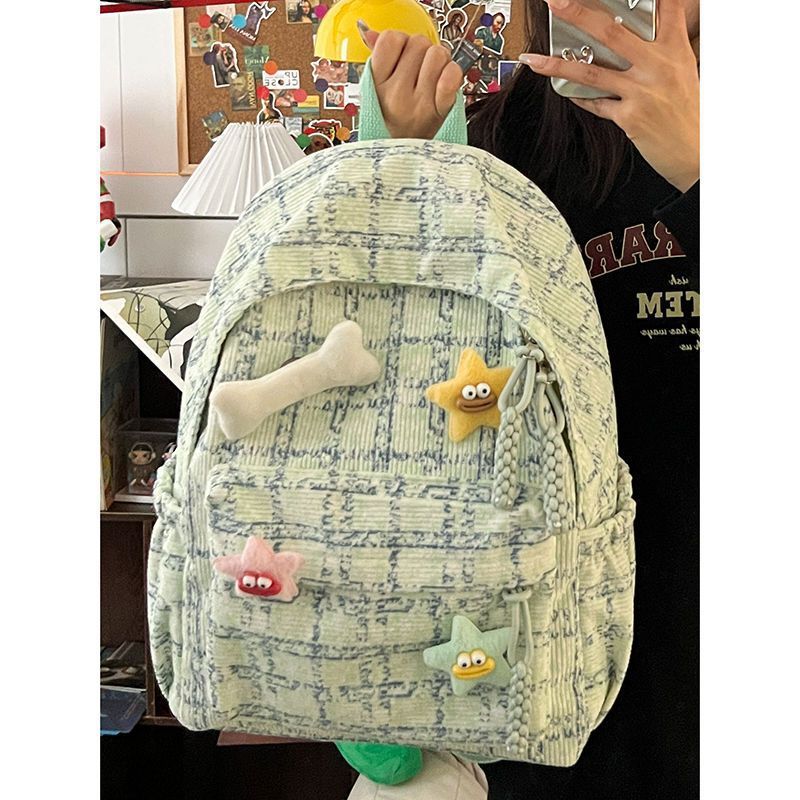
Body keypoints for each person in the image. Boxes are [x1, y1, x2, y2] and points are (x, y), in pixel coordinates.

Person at [355, 0, 699, 797]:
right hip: (532, 639)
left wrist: (702, 168)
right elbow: (405, 374)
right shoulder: (493, 141)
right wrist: (404, 169)